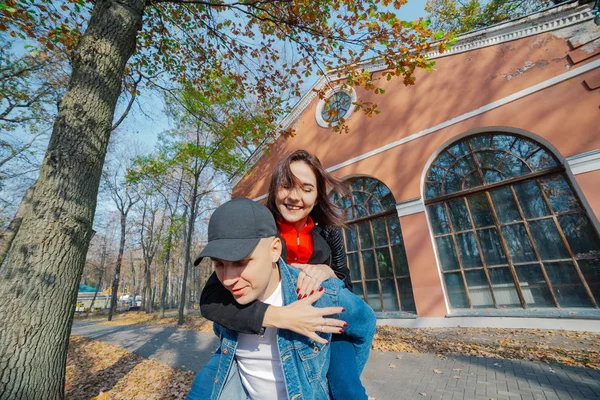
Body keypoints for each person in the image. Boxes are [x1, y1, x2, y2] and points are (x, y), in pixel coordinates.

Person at [200, 150, 370, 398]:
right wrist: (278, 316)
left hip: (323, 331)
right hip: (261, 331)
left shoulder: (329, 234)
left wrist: (327, 271)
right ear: (274, 189)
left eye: (306, 189)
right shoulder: (258, 235)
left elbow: (346, 288)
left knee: (348, 388)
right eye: (286, 186)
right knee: (204, 389)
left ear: (317, 196)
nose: (294, 197)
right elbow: (211, 299)